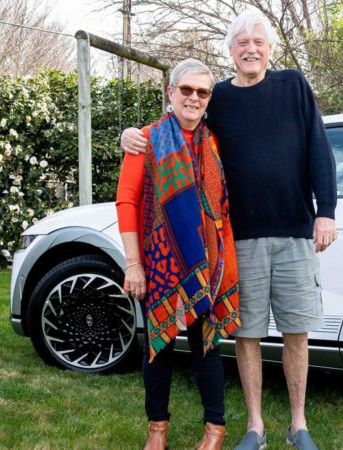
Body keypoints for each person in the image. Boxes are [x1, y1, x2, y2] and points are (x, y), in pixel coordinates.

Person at [121, 11, 337, 450]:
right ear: (231, 51)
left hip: (295, 232)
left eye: (258, 41)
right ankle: (254, 426)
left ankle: (298, 425)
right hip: (238, 241)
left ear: (270, 49)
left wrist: (325, 210)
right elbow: (180, 128)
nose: (251, 48)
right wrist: (131, 135)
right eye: (242, 42)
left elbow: (320, 148)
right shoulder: (218, 98)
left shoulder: (294, 85)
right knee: (246, 334)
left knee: (297, 332)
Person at [116, 58, 240, 450]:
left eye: (202, 92)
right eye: (186, 89)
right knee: (158, 349)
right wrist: (133, 264)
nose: (194, 97)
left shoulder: (214, 142)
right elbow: (126, 201)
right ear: (171, 93)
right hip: (159, 263)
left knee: (207, 349)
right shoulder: (146, 139)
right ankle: (157, 429)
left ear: (208, 99)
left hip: (207, 266)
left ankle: (215, 429)